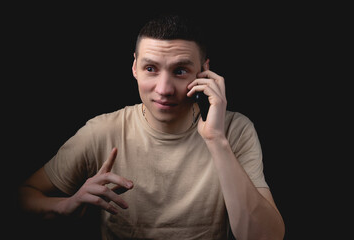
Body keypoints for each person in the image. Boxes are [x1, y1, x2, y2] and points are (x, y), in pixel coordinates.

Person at [18, 14, 285, 240]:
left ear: (204, 72)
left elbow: (266, 236)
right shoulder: (102, 131)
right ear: (134, 67)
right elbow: (22, 196)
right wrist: (68, 204)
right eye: (150, 68)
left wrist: (216, 139)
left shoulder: (235, 130)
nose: (164, 89)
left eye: (180, 70)